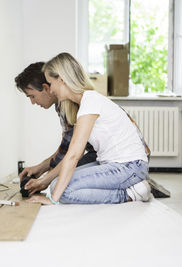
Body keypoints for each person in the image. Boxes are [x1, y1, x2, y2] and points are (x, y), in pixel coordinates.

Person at [27, 52, 151, 205]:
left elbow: (74, 155)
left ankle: (130, 194)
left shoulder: (90, 101)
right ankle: (132, 188)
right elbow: (69, 156)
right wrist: (48, 182)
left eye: (51, 84)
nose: (50, 90)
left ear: (61, 79)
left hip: (130, 166)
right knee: (57, 185)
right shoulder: (81, 104)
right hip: (112, 164)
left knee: (63, 192)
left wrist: (53, 200)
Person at [14, 62, 97, 196]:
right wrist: (41, 168)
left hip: (106, 157)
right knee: (58, 180)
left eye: (32, 96)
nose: (32, 102)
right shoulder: (61, 105)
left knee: (59, 184)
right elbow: (66, 148)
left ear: (46, 88)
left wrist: (45, 179)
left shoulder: (69, 104)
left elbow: (74, 153)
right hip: (95, 154)